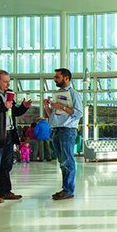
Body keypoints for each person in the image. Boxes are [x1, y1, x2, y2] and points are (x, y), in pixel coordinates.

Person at [0, 69, 31, 204]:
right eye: (5, 81)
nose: (8, 84)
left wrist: (24, 107)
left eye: (9, 82)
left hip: (9, 134)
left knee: (6, 166)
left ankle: (5, 191)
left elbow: (14, 113)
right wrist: (3, 106)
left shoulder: (9, 95)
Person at [44, 67, 83, 201]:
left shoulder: (74, 94)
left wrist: (62, 107)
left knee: (68, 160)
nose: (55, 79)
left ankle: (69, 190)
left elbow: (78, 113)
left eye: (57, 77)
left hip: (67, 131)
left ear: (66, 78)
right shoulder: (57, 94)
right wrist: (47, 108)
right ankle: (65, 188)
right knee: (62, 161)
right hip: (56, 129)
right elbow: (52, 117)